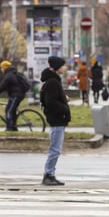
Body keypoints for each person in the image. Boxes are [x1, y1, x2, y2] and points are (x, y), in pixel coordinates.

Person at [40, 56, 71, 186]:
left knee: (56, 149)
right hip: (57, 119)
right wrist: (64, 108)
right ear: (58, 67)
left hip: (58, 119)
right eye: (63, 65)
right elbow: (50, 102)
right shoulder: (53, 82)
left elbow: (53, 99)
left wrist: (64, 99)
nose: (65, 68)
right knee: (55, 149)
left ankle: (51, 174)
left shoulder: (53, 81)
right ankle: (48, 175)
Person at [0, 60, 27, 132]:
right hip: (16, 95)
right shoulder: (12, 74)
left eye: (1, 67)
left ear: (4, 67)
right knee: (10, 110)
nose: (1, 69)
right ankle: (14, 128)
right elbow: (4, 86)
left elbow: (1, 87)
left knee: (9, 112)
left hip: (16, 95)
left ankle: (9, 129)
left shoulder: (8, 76)